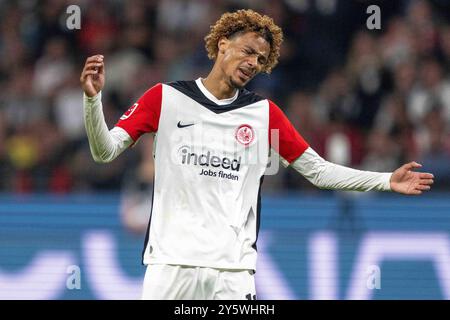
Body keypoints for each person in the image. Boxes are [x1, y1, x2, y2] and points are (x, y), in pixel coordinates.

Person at [80, 9, 434, 300]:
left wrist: (386, 180)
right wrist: (93, 100)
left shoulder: (264, 114)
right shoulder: (164, 98)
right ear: (222, 45)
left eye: (261, 60)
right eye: (247, 51)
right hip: (171, 266)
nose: (253, 63)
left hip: (233, 273)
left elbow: (318, 171)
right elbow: (104, 151)